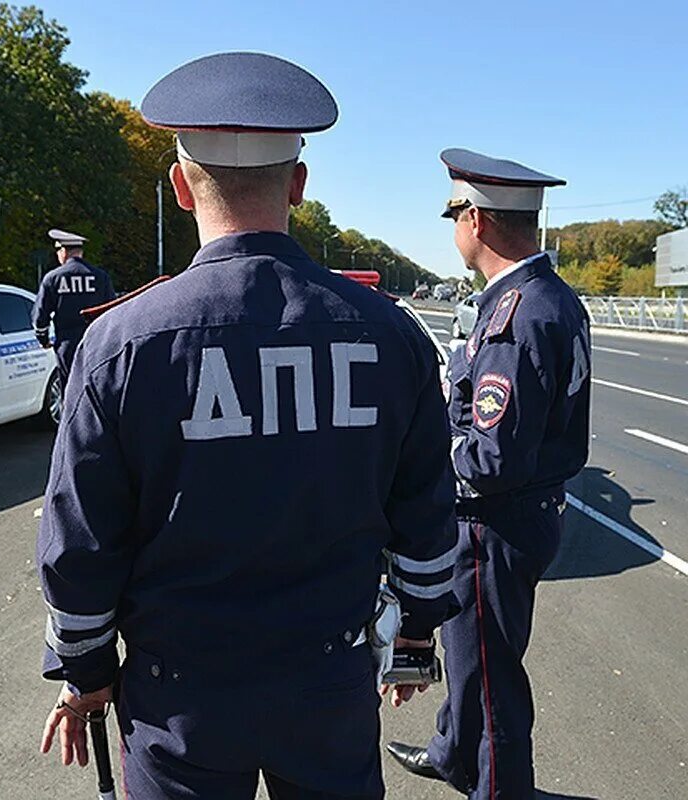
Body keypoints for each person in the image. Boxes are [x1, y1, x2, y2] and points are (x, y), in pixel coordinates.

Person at [36, 52, 458, 799]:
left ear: (179, 188)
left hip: (179, 699)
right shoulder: (390, 335)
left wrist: (86, 673)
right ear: (298, 184)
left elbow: (80, 543)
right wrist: (418, 635)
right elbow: (426, 517)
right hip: (329, 681)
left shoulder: (121, 343)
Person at [385, 149, 591, 799]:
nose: (455, 230)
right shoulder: (541, 297)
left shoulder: (517, 311)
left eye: (455, 216)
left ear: (475, 219)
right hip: (516, 514)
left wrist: (422, 455)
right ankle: (453, 752)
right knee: (471, 654)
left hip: (493, 519)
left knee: (489, 670)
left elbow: (492, 457)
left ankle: (502, 788)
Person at [31, 229, 116, 385]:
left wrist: (43, 340)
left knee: (70, 390)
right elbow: (112, 310)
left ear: (63, 252)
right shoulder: (100, 277)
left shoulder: (53, 278)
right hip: (96, 342)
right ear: (80, 252)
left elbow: (40, 317)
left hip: (67, 345)